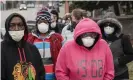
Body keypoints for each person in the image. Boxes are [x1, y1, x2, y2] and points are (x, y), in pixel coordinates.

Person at [1, 13, 45, 80]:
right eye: (12, 25)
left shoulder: (33, 49)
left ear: (24, 27)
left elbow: (41, 73)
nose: (16, 28)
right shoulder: (2, 49)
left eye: (20, 25)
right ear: (7, 28)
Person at [27, 8, 63, 80]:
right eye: (40, 22)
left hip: (53, 76)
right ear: (37, 24)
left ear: (49, 23)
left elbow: (62, 57)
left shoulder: (57, 38)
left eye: (45, 22)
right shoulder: (30, 38)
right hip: (35, 76)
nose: (42, 24)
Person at [97, 16, 133, 80]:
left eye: (111, 26)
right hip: (104, 74)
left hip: (121, 73)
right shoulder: (99, 39)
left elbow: (131, 55)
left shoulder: (123, 38)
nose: (108, 27)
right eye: (106, 26)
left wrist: (118, 62)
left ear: (116, 27)